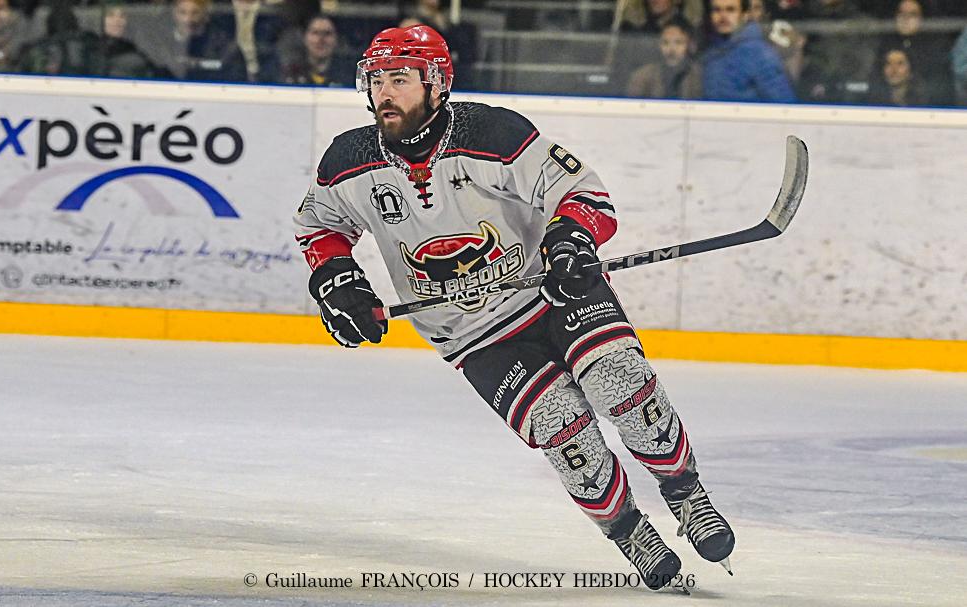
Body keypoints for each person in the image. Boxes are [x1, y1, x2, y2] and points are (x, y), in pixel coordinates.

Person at [292, 24, 736, 589]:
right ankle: (631, 533)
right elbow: (319, 226)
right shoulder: (348, 160)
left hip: (554, 291)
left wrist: (570, 241)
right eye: (376, 81)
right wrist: (338, 283)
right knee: (564, 432)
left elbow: (583, 192)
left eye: (399, 79)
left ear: (436, 82)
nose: (384, 93)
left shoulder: (494, 133)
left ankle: (685, 494)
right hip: (472, 335)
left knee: (622, 385)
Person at [701, 0, 795, 102]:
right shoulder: (708, 52)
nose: (723, 16)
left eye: (730, 10)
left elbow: (783, 104)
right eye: (717, 10)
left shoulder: (760, 55)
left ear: (744, 15)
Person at [626, 17, 703, 99]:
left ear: (690, 45)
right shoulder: (642, 76)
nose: (671, 49)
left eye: (678, 42)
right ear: (658, 45)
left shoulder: (697, 74)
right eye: (665, 43)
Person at [280, 13, 354, 86]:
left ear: (336, 39)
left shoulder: (350, 76)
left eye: (327, 33)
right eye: (315, 33)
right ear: (304, 38)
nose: (321, 40)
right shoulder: (290, 74)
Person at [867, 47, 931, 107]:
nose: (894, 70)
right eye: (888, 63)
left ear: (911, 70)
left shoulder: (923, 101)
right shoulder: (873, 102)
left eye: (900, 63)